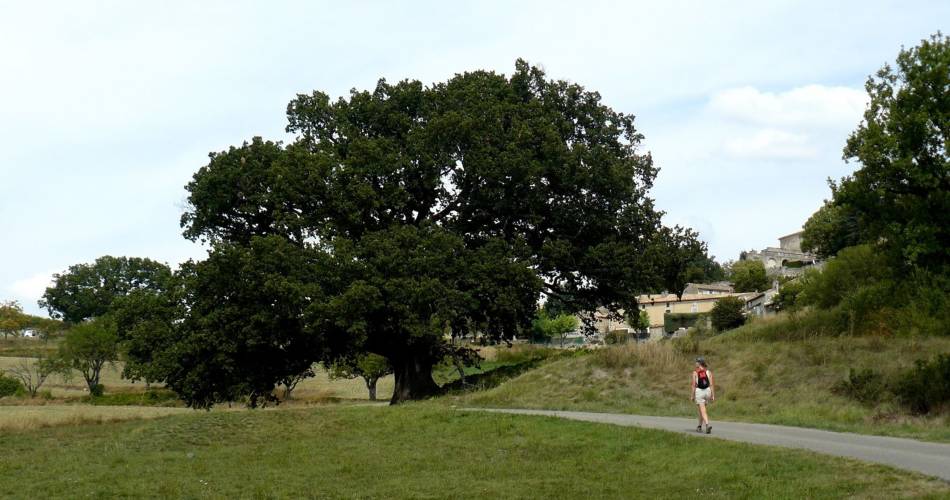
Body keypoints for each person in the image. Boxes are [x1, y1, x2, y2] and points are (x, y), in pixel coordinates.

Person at [690, 356, 715, 434]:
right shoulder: (709, 372)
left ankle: (707, 425)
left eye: (696, 362)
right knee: (701, 410)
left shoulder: (695, 372)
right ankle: (699, 426)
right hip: (708, 391)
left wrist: (692, 395)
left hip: (700, 392)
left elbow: (694, 385)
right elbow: (711, 384)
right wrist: (713, 395)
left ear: (699, 363)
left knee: (703, 410)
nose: (695, 363)